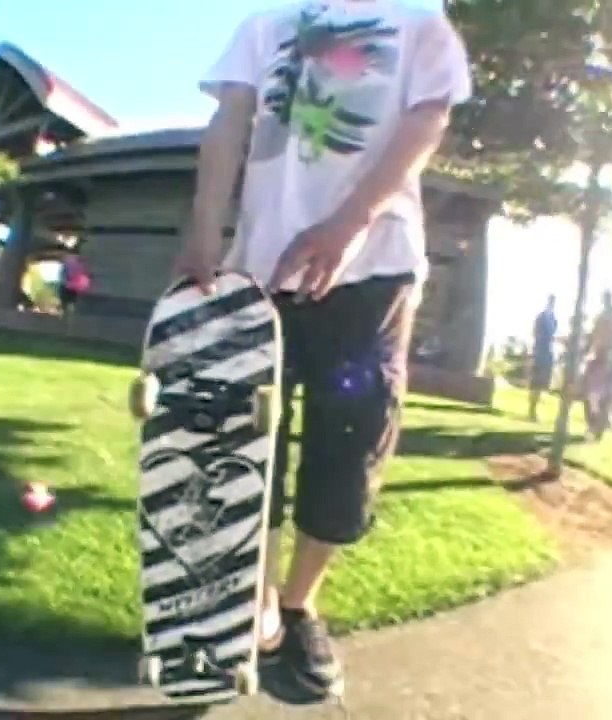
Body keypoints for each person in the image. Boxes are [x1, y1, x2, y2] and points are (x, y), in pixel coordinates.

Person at [174, 0, 470, 697]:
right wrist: (203, 232)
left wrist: (347, 221)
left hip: (374, 267)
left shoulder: (419, 23)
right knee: (251, 441)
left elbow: (429, 120)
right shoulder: (263, 26)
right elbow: (227, 128)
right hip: (262, 267)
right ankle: (253, 605)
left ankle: (300, 600)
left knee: (351, 439)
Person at [582, 290, 612, 440]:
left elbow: (597, 336)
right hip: (604, 358)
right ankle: (595, 426)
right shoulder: (611, 318)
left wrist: (596, 347)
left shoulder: (610, 318)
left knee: (598, 395)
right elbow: (593, 336)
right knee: (596, 395)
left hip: (606, 358)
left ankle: (596, 426)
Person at [528, 295, 557, 421]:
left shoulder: (554, 319)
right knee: (536, 381)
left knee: (541, 382)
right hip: (540, 350)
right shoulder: (541, 316)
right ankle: (531, 410)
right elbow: (535, 333)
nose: (552, 304)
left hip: (547, 352)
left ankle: (534, 410)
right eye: (551, 301)